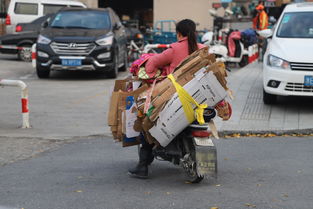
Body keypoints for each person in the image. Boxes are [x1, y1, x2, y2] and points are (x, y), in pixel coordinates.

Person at [128, 19, 205, 179]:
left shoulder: (174, 49)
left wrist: (153, 76)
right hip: (199, 100)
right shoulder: (203, 49)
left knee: (146, 124)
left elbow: (152, 64)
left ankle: (143, 167)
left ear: (179, 33)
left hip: (173, 99)